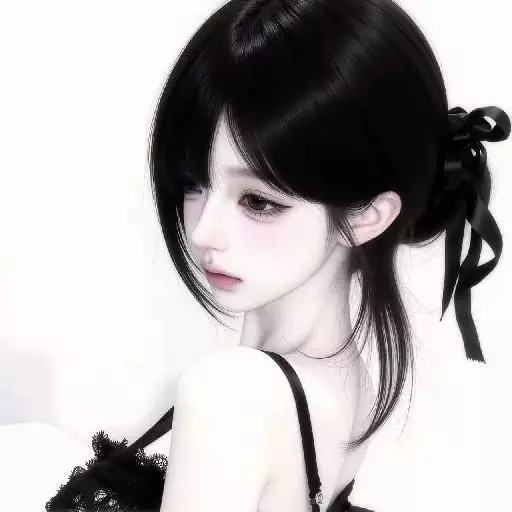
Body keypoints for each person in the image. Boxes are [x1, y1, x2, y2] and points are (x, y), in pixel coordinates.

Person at [45, 0, 510, 510]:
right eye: (192, 183)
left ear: (366, 216)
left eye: (258, 201)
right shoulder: (348, 379)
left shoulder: (231, 395)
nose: (202, 231)